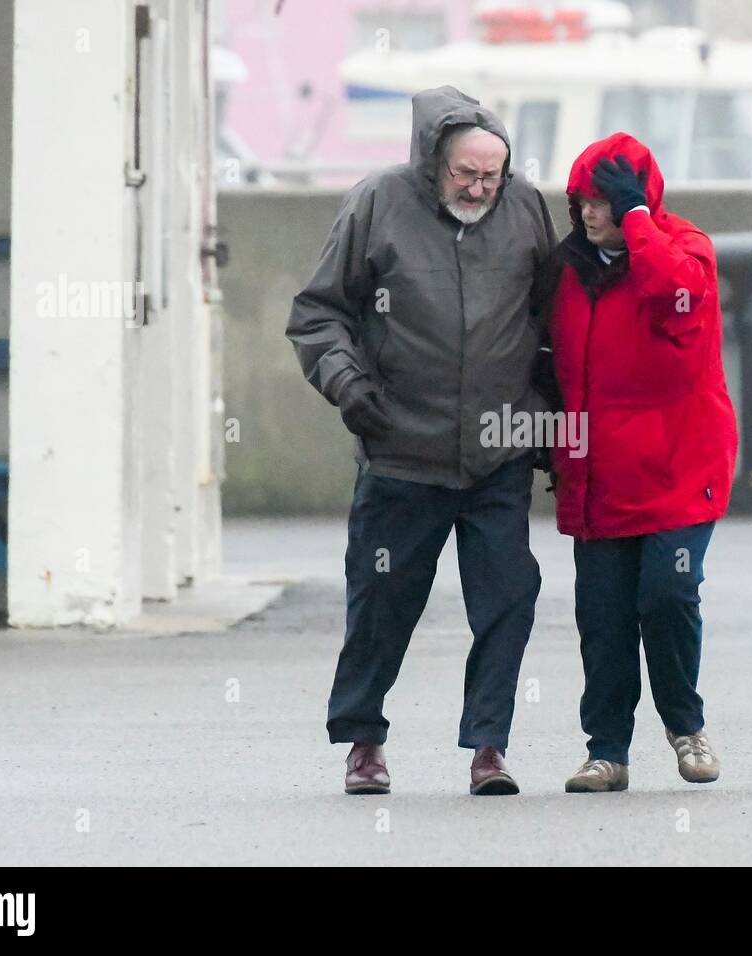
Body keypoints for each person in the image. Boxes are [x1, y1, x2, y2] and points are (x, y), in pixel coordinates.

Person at [285, 86, 557, 796]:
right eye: (466, 175)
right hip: (401, 447)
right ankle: (363, 741)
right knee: (381, 598)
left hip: (498, 449)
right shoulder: (377, 202)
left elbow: (551, 316)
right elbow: (319, 313)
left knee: (509, 598)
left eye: (490, 177)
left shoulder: (525, 207)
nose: (478, 188)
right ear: (434, 161)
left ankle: (489, 748)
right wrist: (348, 386)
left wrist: (551, 419)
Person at [544, 132, 739, 793]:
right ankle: (607, 751)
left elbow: (676, 296)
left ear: (639, 204)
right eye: (583, 201)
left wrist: (637, 223)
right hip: (600, 475)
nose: (590, 213)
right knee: (600, 617)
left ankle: (686, 727)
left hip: (682, 468)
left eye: (605, 201)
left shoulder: (685, 253)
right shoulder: (568, 271)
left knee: (666, 595)